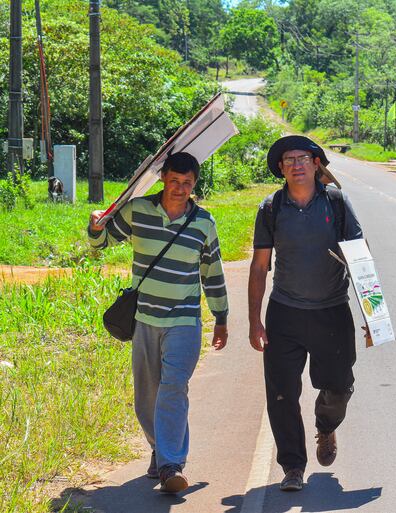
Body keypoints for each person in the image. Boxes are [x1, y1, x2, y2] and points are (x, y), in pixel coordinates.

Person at [88, 152, 229, 494]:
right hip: (145, 319)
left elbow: (212, 273)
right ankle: (158, 447)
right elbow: (102, 241)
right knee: (147, 395)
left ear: (194, 185)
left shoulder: (203, 223)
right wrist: (95, 226)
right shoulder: (138, 211)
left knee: (173, 387)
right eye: (175, 180)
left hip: (184, 320)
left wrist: (221, 317)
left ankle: (171, 465)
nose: (180, 188)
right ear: (163, 177)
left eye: (187, 183)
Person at [248, 135, 363, 492]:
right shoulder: (271, 208)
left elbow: (361, 257)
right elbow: (259, 266)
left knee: (339, 387)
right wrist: (255, 320)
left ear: (317, 164)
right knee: (281, 393)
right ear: (281, 169)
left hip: (332, 311)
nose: (296, 164)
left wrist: (374, 316)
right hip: (286, 312)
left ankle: (325, 426)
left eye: (303, 158)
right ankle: (293, 466)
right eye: (288, 160)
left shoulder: (337, 203)